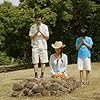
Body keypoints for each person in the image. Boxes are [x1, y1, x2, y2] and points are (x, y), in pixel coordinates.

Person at [29, 14, 49, 78]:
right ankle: (36, 74)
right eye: (37, 20)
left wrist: (41, 31)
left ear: (41, 19)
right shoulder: (32, 27)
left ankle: (42, 74)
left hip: (43, 46)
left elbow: (47, 37)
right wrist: (37, 31)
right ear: (35, 20)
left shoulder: (45, 27)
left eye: (39, 20)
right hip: (35, 46)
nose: (38, 21)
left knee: (43, 61)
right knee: (35, 61)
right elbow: (31, 37)